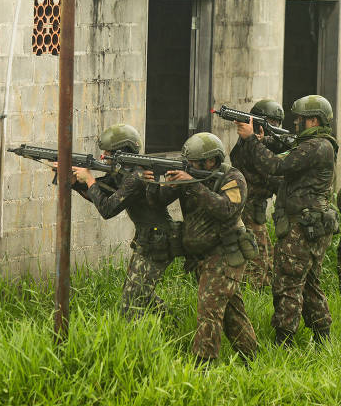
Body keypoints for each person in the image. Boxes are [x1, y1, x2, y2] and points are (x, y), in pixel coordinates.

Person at [145, 132, 258, 366]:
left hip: (226, 254)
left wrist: (192, 184)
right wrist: (153, 182)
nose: (189, 166)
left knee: (209, 311)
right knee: (231, 312)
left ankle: (202, 366)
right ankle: (251, 358)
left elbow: (226, 209)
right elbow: (158, 201)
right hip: (202, 256)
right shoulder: (190, 176)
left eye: (194, 162)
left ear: (211, 161)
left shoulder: (233, 178)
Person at [235, 95, 339, 347]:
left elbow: (275, 166)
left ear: (313, 120)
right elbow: (286, 145)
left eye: (300, 119)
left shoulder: (316, 147)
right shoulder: (317, 144)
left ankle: (285, 342)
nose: (295, 124)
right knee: (310, 284)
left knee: (287, 283)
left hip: (302, 227)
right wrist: (261, 139)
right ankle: (322, 339)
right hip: (310, 224)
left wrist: (250, 140)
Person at [67, 124, 180, 319]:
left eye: (108, 151)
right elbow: (102, 192)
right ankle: (173, 322)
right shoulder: (125, 174)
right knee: (141, 294)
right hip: (149, 239)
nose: (103, 155)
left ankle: (137, 340)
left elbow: (108, 209)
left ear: (122, 151)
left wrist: (90, 180)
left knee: (131, 302)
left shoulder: (136, 176)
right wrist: (77, 183)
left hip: (158, 241)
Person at [229, 98, 285, 289]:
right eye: (272, 123)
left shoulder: (257, 145)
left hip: (255, 211)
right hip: (248, 211)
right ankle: (249, 297)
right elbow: (273, 175)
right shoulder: (250, 147)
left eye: (277, 124)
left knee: (268, 262)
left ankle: (260, 296)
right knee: (257, 264)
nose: (275, 127)